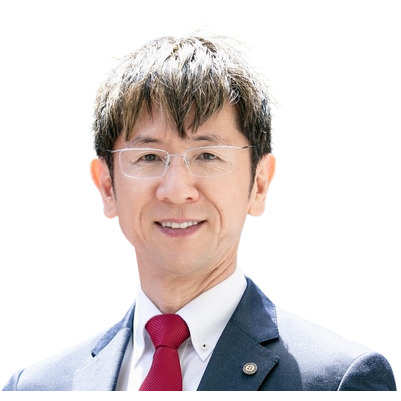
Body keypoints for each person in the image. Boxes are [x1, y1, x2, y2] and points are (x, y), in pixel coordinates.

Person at [2, 35, 396, 391]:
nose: (176, 190)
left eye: (207, 155)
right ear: (107, 187)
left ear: (259, 184)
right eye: (149, 156)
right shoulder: (35, 388)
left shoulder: (337, 382)